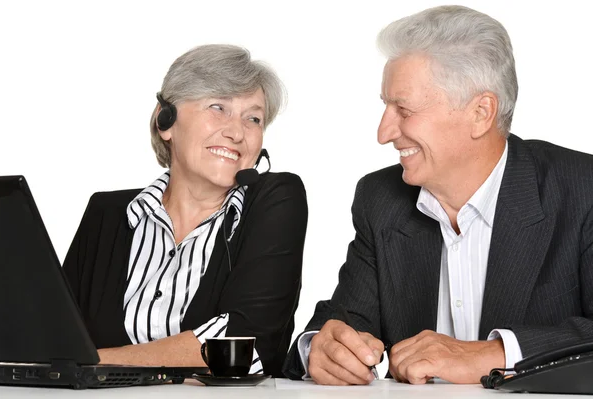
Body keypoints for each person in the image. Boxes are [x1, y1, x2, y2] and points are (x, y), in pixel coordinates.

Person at [282, 5, 593, 385]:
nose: (383, 132)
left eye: (404, 109)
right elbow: (346, 321)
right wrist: (321, 347)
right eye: (386, 106)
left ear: (481, 112)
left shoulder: (583, 189)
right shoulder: (380, 199)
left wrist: (492, 355)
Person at [63, 44, 308, 378]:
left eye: (253, 118)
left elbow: (243, 347)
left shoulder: (276, 200)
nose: (237, 132)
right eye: (218, 108)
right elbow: (56, 340)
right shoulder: (105, 214)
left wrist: (96, 362)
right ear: (166, 121)